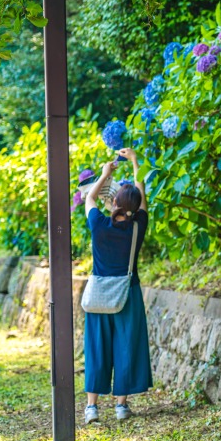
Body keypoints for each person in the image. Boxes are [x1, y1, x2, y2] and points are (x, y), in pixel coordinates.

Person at [83, 148, 152, 423]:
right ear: (134, 208)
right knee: (125, 346)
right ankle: (121, 406)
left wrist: (104, 174)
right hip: (128, 294)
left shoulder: (98, 224)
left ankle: (92, 407)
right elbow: (141, 197)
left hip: (99, 296)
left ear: (113, 202)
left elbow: (89, 198)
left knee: (97, 348)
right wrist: (135, 161)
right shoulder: (137, 227)